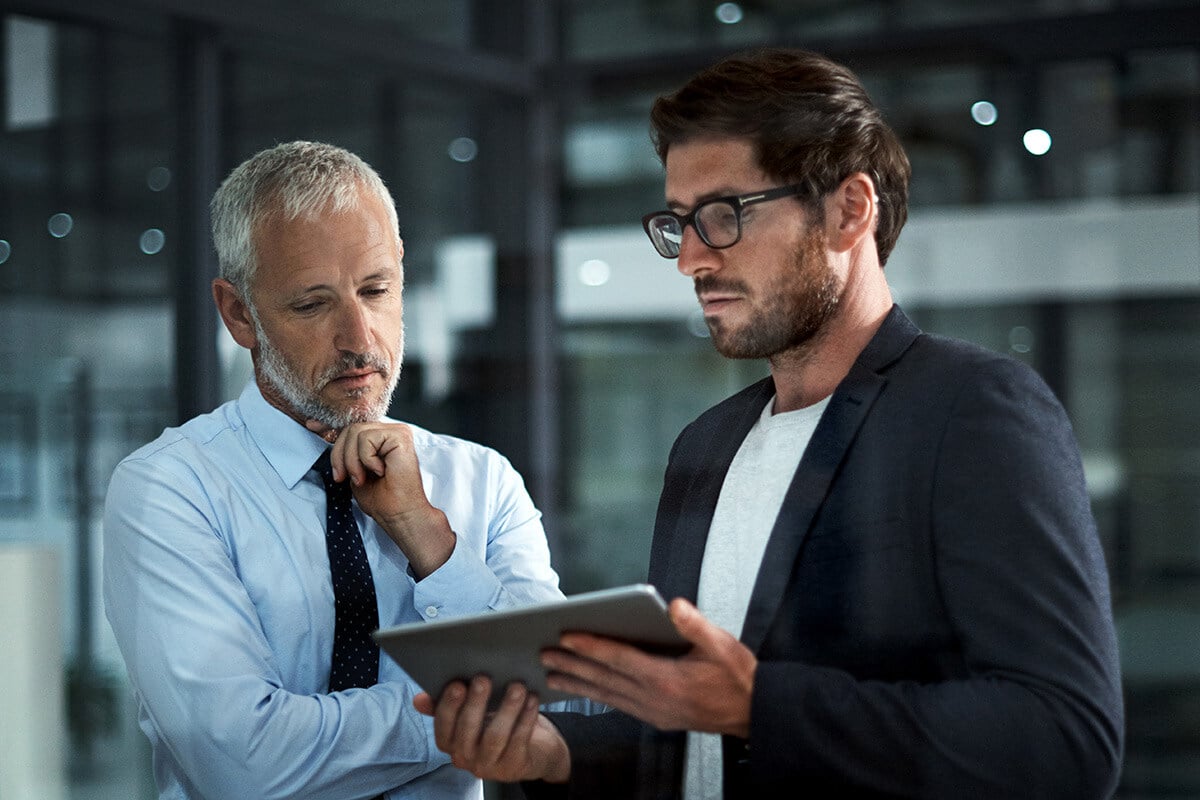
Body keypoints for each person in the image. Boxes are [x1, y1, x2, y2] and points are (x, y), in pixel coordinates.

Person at [417, 48, 1125, 799]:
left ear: (850, 210)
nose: (690, 258)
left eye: (724, 216)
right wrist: (553, 754)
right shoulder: (707, 446)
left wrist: (759, 705)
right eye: (678, 223)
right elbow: (686, 747)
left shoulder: (973, 410)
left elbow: (1067, 739)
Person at [103, 140, 575, 799]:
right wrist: (475, 714)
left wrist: (428, 539)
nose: (360, 339)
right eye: (312, 304)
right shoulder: (171, 489)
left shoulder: (482, 480)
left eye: (376, 290)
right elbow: (242, 761)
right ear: (239, 313)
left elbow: (562, 702)